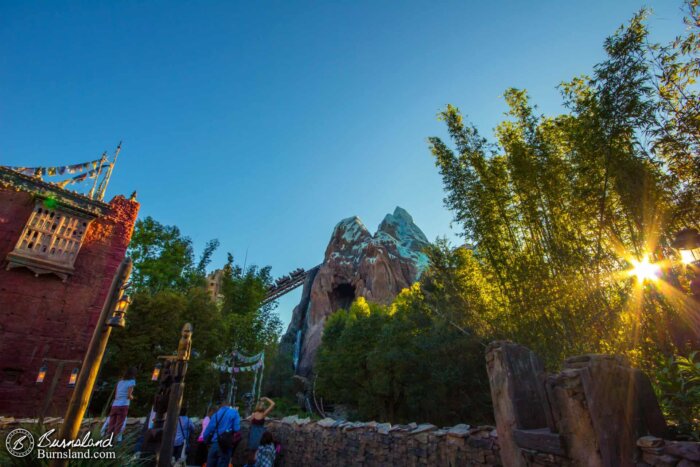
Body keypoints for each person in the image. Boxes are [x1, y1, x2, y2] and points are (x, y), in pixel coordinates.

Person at [202, 401, 241, 467]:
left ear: (221, 406)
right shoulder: (234, 412)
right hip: (225, 446)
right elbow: (236, 429)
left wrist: (206, 442)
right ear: (229, 406)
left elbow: (208, 431)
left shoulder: (215, 414)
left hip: (214, 445)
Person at [107, 367, 137, 437]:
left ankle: (107, 439)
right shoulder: (132, 381)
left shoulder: (120, 382)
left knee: (111, 423)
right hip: (123, 404)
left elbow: (116, 394)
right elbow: (128, 395)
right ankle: (115, 441)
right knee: (119, 424)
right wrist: (133, 397)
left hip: (115, 404)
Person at [245, 397, 275, 465]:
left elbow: (248, 421)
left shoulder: (253, 414)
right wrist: (266, 398)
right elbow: (273, 404)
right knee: (259, 454)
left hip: (253, 434)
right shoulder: (263, 414)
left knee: (251, 453)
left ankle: (250, 465)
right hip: (260, 434)